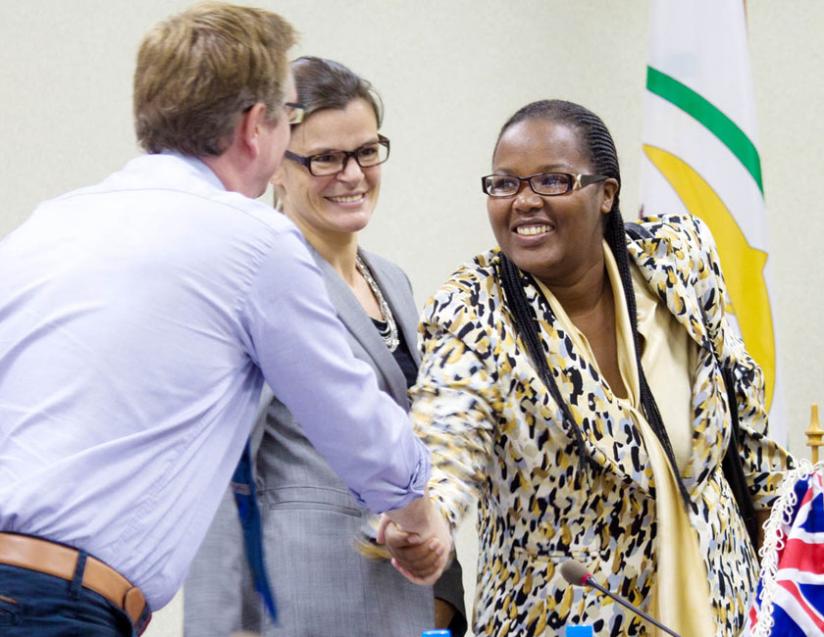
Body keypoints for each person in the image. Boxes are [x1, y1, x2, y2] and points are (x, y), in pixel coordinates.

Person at [0, 5, 450, 636]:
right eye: (288, 117)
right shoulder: (253, 242)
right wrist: (421, 515)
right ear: (255, 126)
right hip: (65, 610)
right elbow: (351, 419)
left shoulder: (47, 224)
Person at [384, 99, 792, 636]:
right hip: (563, 619)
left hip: (723, 608)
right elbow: (448, 429)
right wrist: (430, 515)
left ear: (607, 193)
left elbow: (750, 438)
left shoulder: (680, 260)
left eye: (551, 181)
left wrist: (792, 579)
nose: (524, 202)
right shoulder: (474, 306)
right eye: (505, 184)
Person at [184, 56, 467, 637]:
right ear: (276, 165)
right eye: (325, 158)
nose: (353, 174)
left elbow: (423, 444)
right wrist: (217, 627)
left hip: (404, 605)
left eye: (367, 150)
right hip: (301, 601)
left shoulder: (394, 281)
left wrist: (447, 592)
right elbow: (218, 469)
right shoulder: (259, 277)